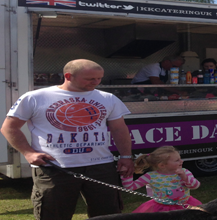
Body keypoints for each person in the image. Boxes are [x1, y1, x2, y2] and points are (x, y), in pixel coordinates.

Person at [0, 59, 134, 220]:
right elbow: (9, 127)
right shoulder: (36, 97)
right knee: (52, 214)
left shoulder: (108, 98)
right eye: (90, 78)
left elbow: (119, 129)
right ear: (68, 76)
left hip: (100, 166)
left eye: (99, 78)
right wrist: (29, 153)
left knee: (108, 214)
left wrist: (126, 156)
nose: (96, 82)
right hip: (55, 167)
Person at [122, 146, 201, 213]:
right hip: (161, 209)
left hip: (185, 206)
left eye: (180, 158)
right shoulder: (151, 176)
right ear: (162, 165)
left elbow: (195, 186)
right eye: (177, 160)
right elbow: (130, 187)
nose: (181, 161)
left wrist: (185, 178)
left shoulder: (184, 172)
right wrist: (126, 174)